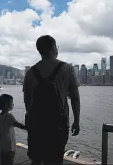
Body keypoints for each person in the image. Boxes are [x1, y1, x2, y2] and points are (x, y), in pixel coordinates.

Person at [23, 35, 81, 165]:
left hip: (36, 126)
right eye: (56, 46)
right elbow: (75, 99)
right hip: (58, 126)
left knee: (36, 160)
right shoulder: (67, 68)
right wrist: (76, 121)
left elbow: (27, 102)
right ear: (52, 48)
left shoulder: (30, 72)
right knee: (55, 160)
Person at [0, 94, 27, 165]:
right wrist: (28, 128)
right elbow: (19, 125)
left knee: (3, 162)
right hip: (10, 147)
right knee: (9, 162)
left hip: (2, 147)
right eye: (11, 103)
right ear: (6, 105)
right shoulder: (9, 117)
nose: (13, 104)